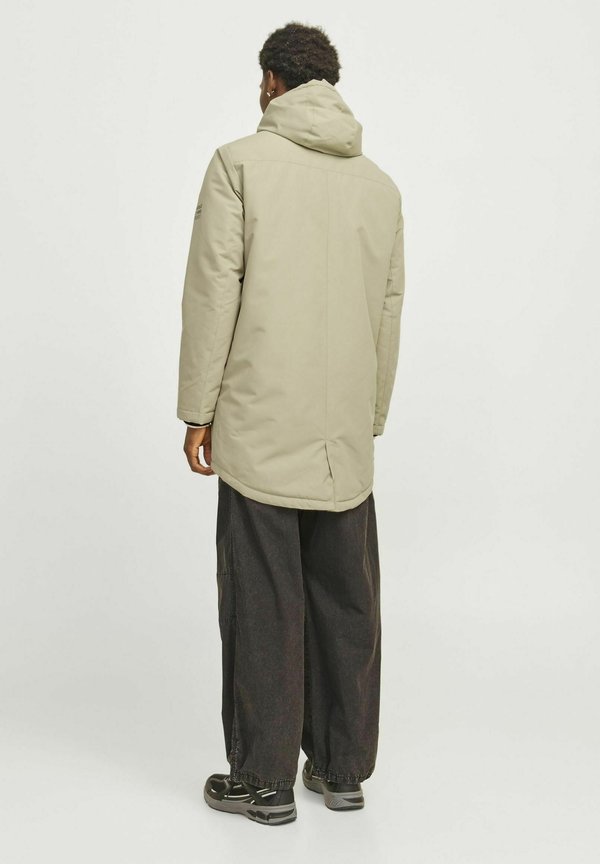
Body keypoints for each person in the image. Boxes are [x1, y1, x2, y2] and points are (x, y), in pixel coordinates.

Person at [177, 21, 405, 826]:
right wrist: (369, 415)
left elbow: (215, 291)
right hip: (342, 434)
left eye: (261, 81)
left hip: (259, 426)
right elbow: (388, 313)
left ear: (273, 81)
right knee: (346, 601)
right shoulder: (380, 187)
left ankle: (264, 782)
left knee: (263, 602)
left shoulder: (239, 164)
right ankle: (341, 771)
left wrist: (198, 409)